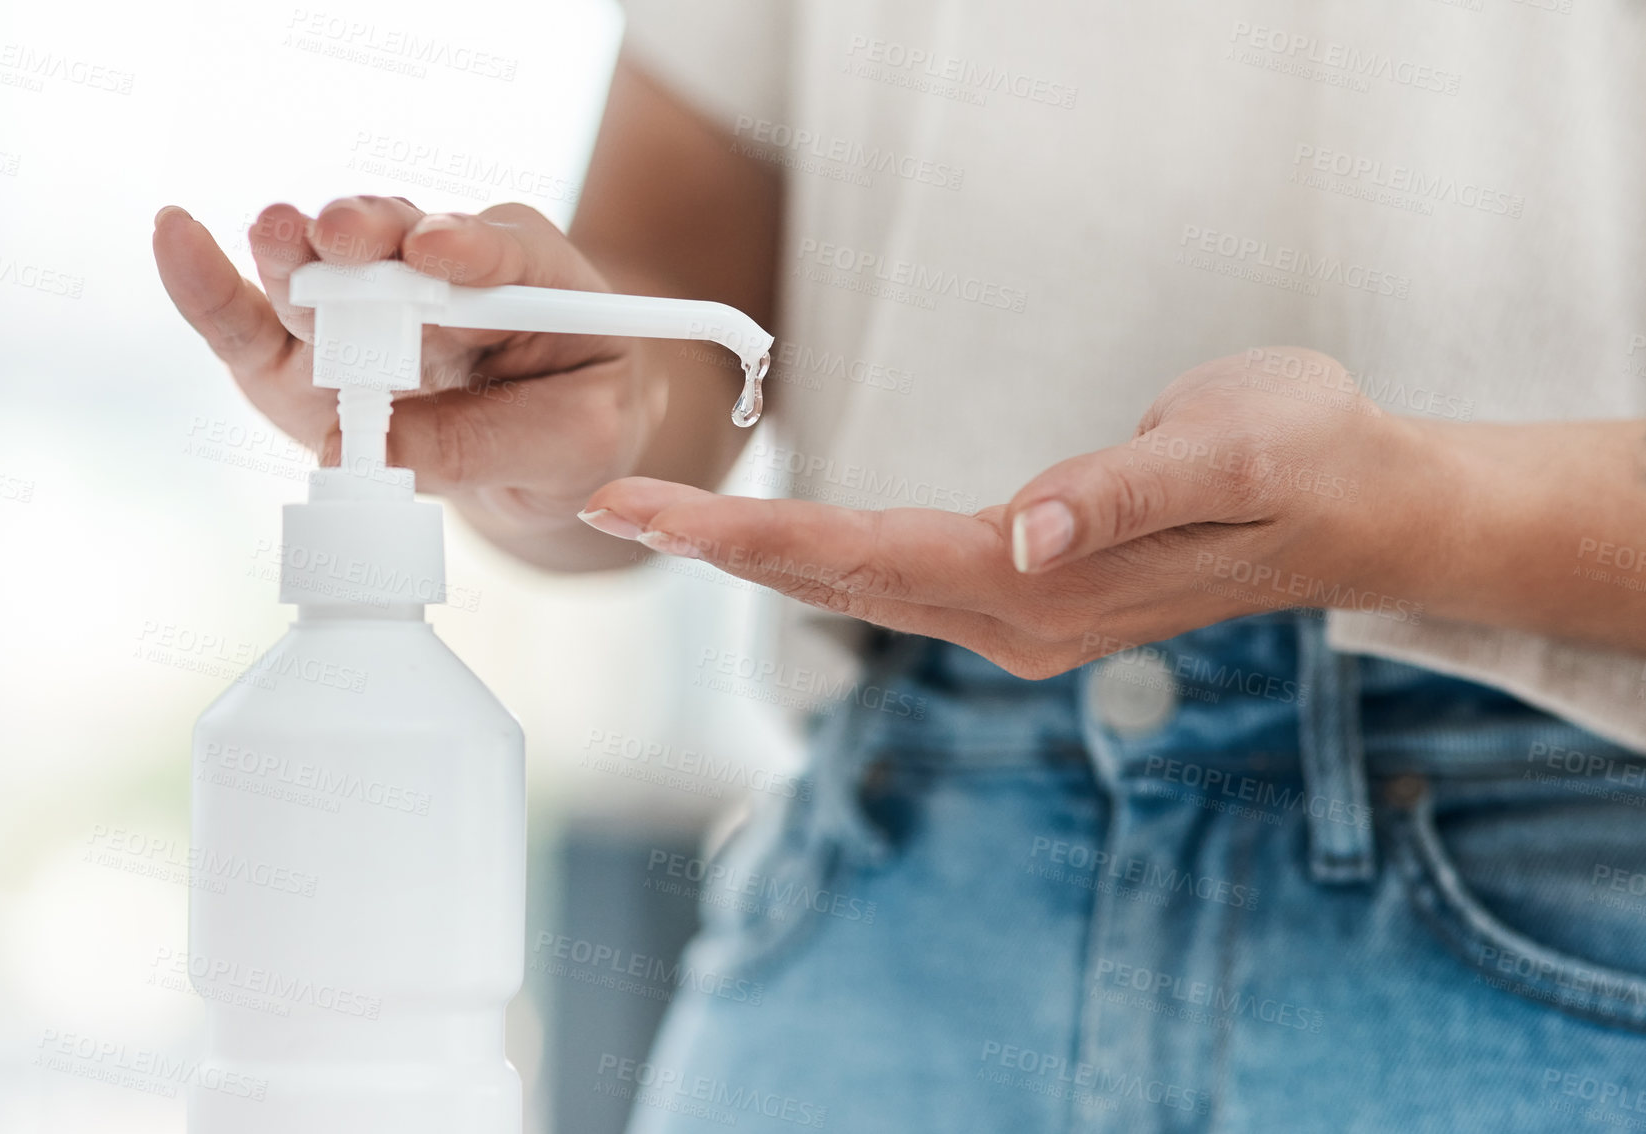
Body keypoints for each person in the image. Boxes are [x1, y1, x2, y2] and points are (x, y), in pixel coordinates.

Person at [153, 3, 1646, 1130]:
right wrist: (557, 410)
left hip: (1553, 914)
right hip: (888, 894)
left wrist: (1428, 514)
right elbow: (666, 356)